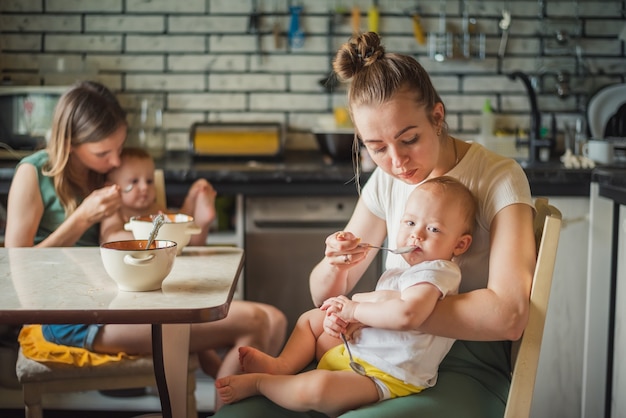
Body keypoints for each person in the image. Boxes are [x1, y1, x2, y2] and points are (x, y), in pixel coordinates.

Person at [214, 32, 536, 418]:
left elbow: (509, 315)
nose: (398, 162)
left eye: (409, 139)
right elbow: (323, 295)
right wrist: (336, 265)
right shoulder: (387, 181)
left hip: (465, 361)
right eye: (378, 148)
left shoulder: (498, 178)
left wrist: (380, 309)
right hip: (371, 346)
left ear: (437, 117)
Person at [5, 80, 287, 410]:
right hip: (72, 317)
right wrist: (81, 219)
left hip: (125, 300)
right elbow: (14, 267)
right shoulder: (34, 173)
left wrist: (194, 217)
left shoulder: (105, 174)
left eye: (118, 148)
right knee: (260, 321)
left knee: (269, 323)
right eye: (102, 153)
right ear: (69, 142)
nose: (114, 161)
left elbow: (138, 241)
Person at [215, 176, 476, 417]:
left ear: (460, 245)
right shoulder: (402, 267)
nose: (416, 234)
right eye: (409, 223)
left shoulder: (437, 271)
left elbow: (406, 314)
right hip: (356, 350)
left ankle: (263, 383)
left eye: (433, 229)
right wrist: (340, 316)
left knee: (318, 389)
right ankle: (283, 365)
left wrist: (353, 311)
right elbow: (381, 304)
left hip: (384, 374)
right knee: (312, 319)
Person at [100, 146, 216, 246]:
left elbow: (179, 223)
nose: (145, 187)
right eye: (134, 181)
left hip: (161, 258)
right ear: (111, 188)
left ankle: (202, 221)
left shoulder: (155, 209)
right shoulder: (114, 211)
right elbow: (111, 238)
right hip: (130, 262)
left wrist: (191, 199)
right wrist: (152, 234)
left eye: (149, 181)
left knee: (186, 232)